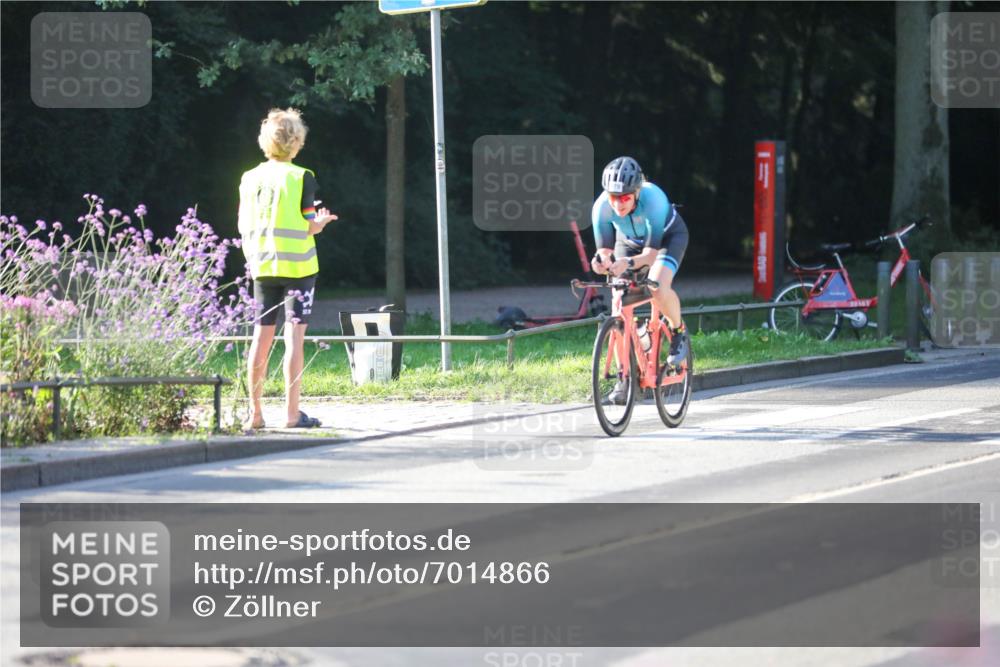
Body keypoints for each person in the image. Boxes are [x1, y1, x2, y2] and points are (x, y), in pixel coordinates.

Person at [238, 108, 337, 429]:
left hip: (262, 266)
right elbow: (308, 225)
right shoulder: (301, 177)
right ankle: (292, 414)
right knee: (294, 340)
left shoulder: (249, 178)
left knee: (260, 338)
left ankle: (254, 414)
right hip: (298, 268)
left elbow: (244, 222)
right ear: (297, 142)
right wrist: (320, 223)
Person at [590, 156, 689, 402]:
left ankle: (678, 332)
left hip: (666, 240)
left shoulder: (653, 199)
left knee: (656, 284)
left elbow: (651, 255)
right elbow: (604, 251)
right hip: (628, 242)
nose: (618, 203)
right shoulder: (601, 207)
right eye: (614, 197)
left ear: (636, 193)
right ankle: (625, 379)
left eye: (624, 198)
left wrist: (627, 263)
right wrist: (601, 262)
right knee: (618, 302)